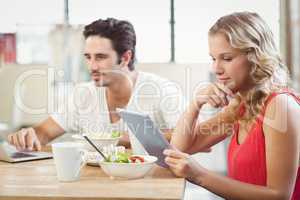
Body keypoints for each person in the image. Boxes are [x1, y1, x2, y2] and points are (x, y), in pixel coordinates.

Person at [164, 12, 300, 200]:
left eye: (227, 58)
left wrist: (199, 175)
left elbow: (279, 196)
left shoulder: (280, 106)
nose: (216, 69)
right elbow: (180, 148)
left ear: (255, 56)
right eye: (213, 58)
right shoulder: (241, 106)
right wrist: (195, 104)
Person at [8, 18, 184, 152]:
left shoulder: (162, 90)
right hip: (95, 184)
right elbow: (44, 132)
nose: (92, 66)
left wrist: (117, 138)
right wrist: (29, 135)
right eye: (88, 57)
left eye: (100, 57)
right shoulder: (84, 94)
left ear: (125, 58)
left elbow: (188, 136)